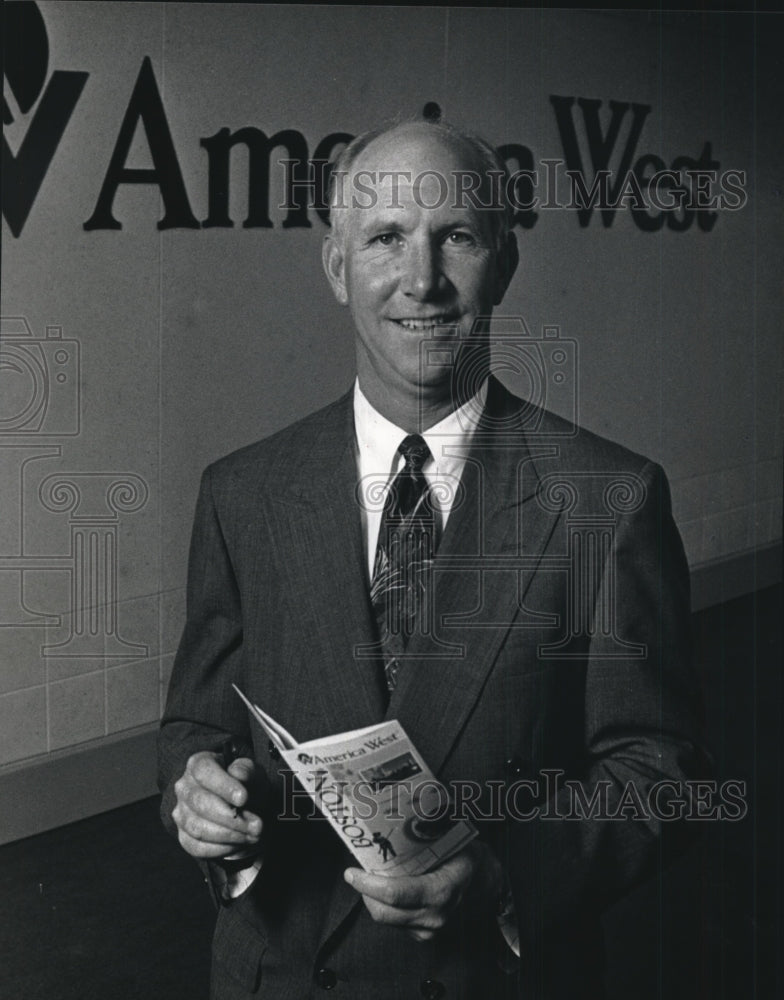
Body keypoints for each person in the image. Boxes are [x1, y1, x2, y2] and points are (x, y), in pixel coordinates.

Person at [158, 119, 706, 1000]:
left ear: (505, 260)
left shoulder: (609, 497)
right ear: (338, 269)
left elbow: (657, 773)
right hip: (285, 972)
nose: (422, 281)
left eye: (455, 236)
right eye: (384, 239)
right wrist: (202, 798)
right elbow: (198, 729)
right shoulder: (243, 492)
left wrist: (507, 876)